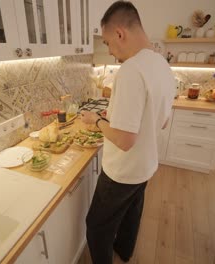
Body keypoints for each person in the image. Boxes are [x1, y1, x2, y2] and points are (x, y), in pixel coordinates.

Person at [80, 1, 176, 263]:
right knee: (131, 213)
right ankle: (124, 252)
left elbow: (124, 140)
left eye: (109, 43)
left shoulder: (131, 71)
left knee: (97, 226)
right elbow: (163, 120)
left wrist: (95, 121)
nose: (110, 51)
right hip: (146, 166)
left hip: (122, 171)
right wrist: (111, 117)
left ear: (120, 33)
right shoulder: (162, 64)